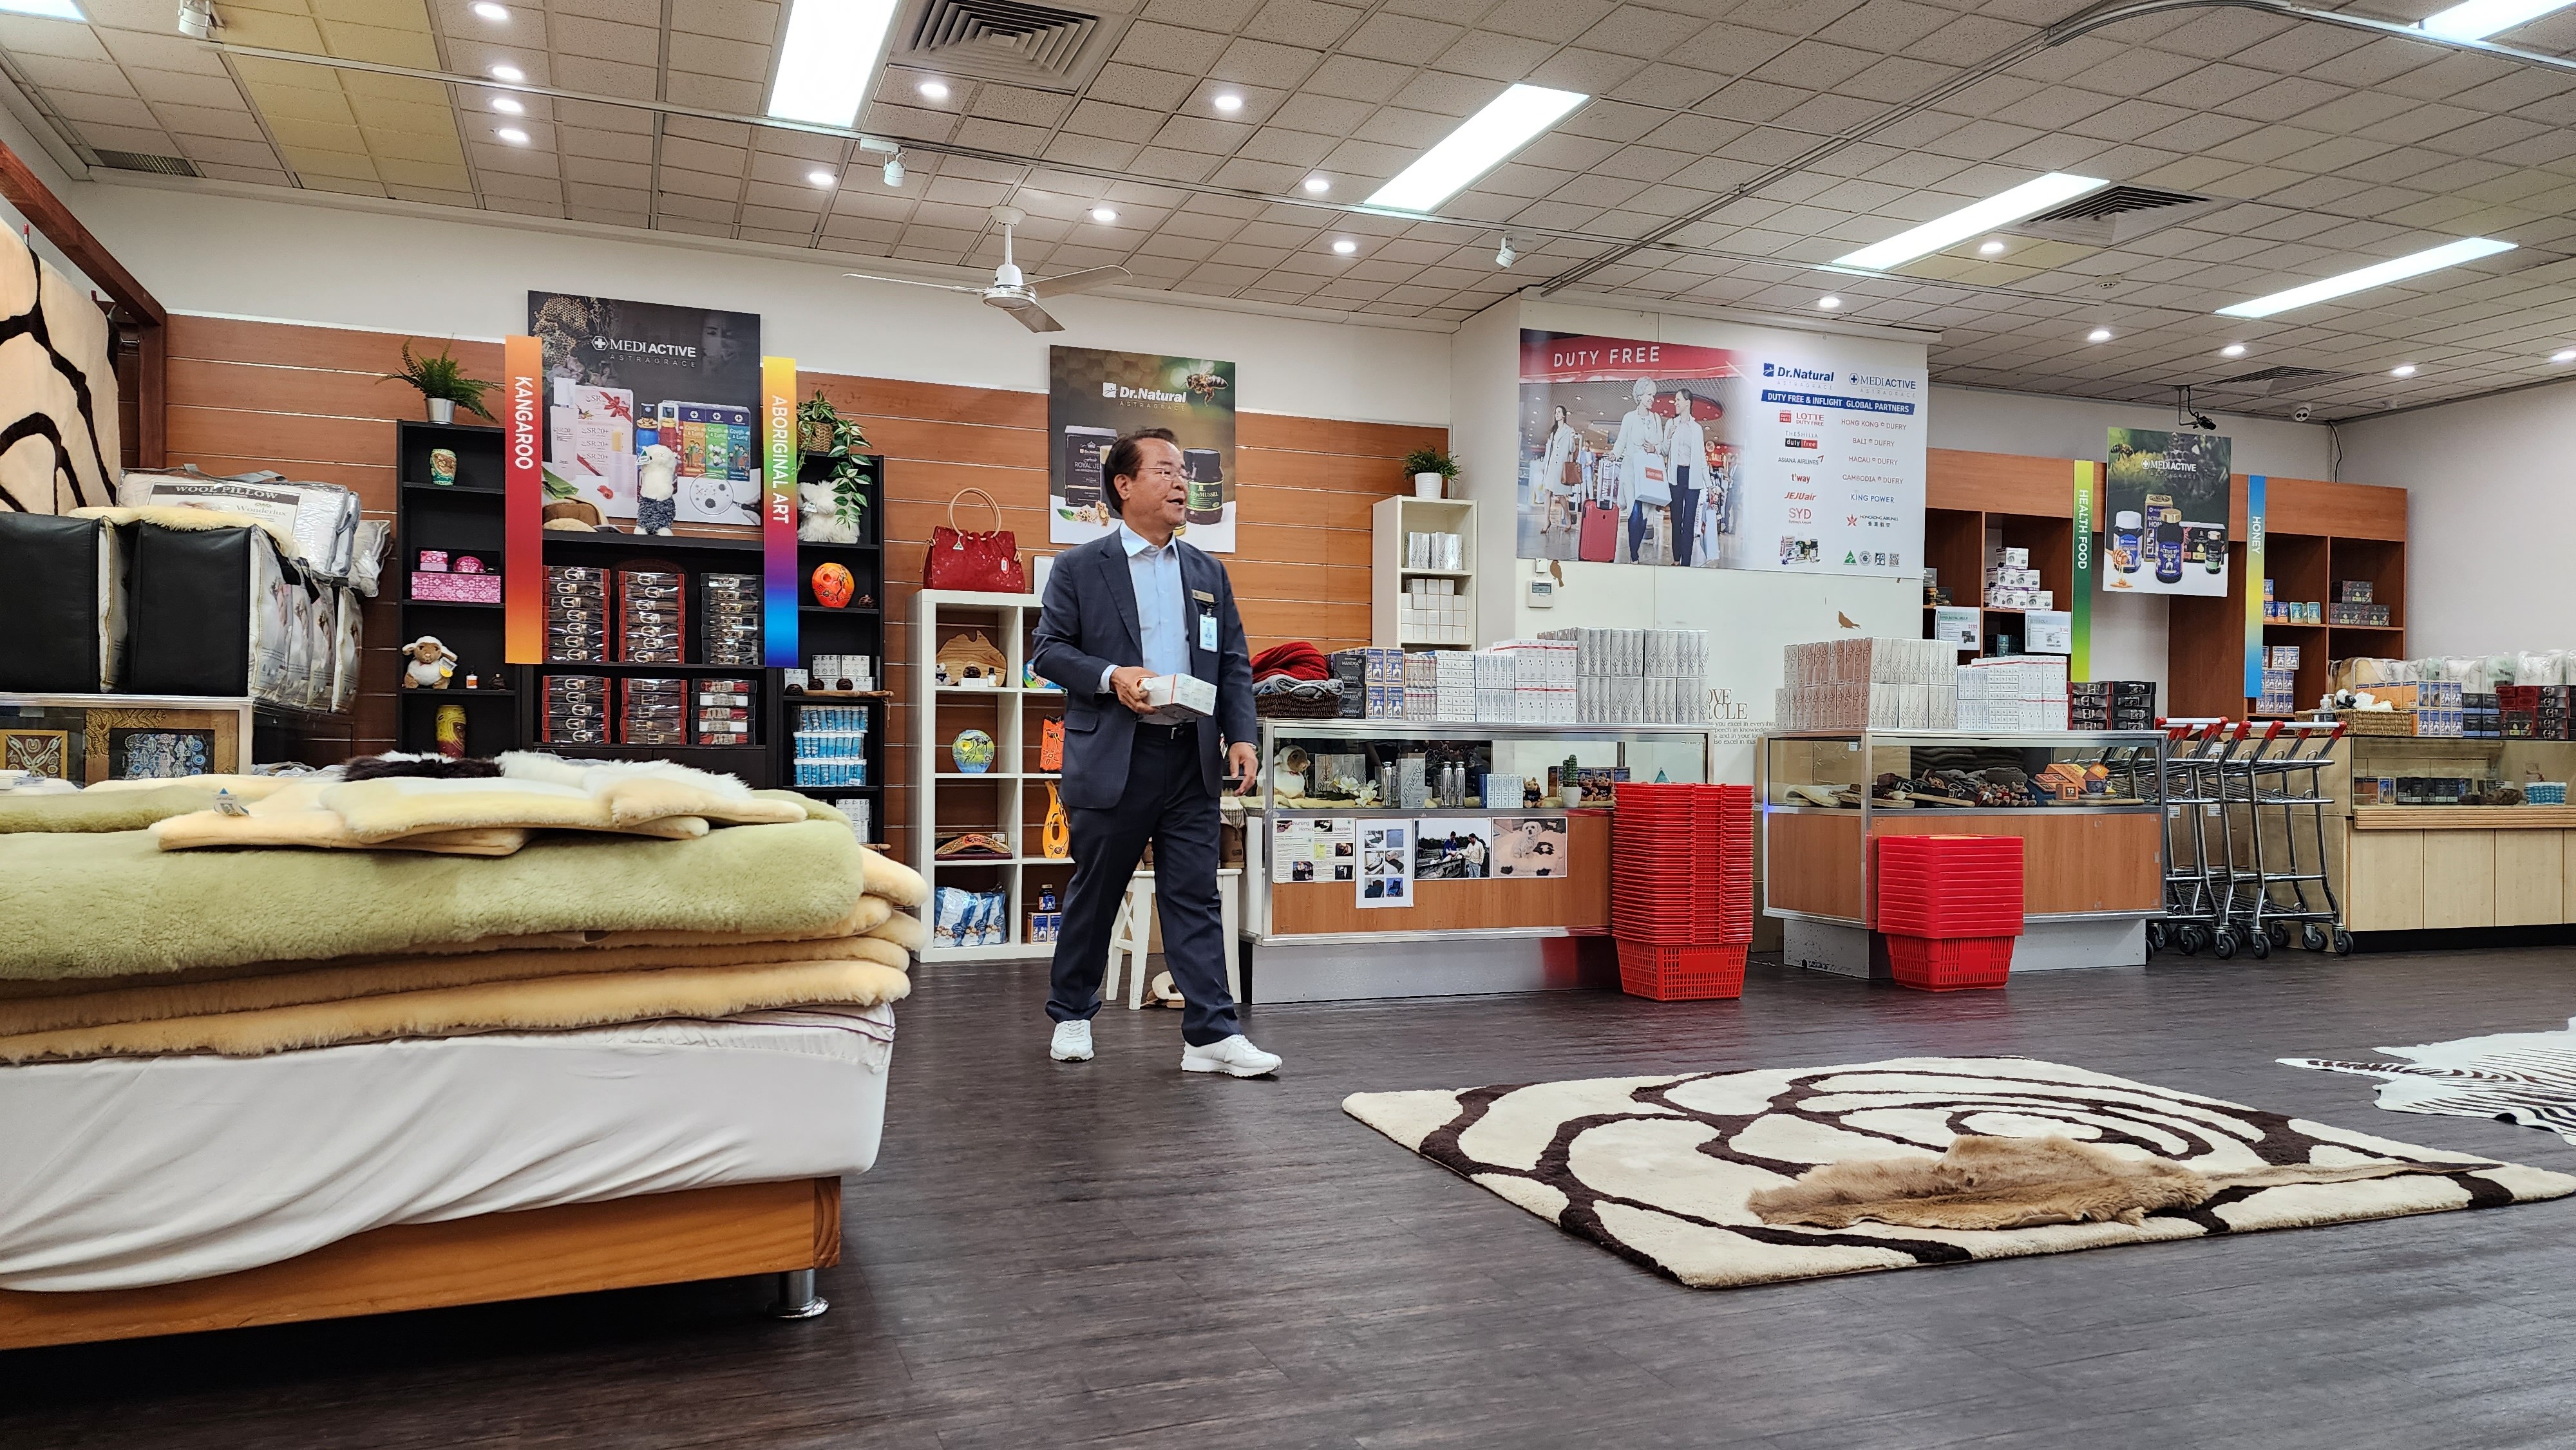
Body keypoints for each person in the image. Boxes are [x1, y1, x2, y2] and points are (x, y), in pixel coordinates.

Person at [1029, 427, 1282, 1078]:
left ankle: (1211, 1035)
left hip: (1190, 756)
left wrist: (1243, 734)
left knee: (1194, 895)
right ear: (1124, 484)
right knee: (1097, 892)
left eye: (1183, 473)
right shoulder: (1080, 567)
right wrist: (1112, 675)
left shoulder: (1206, 571)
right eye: (1165, 471)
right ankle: (1072, 1014)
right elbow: (1048, 651)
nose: (1181, 483)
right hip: (1115, 755)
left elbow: (1232, 662)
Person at [1610, 377, 1666, 563]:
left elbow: (1661, 444)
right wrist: (1614, 454)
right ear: (1640, 395)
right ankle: (1634, 556)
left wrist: (1654, 448)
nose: (1652, 399)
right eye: (1649, 394)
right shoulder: (1629, 418)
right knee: (1634, 512)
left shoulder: (1656, 419)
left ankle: (1635, 550)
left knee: (1643, 517)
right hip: (1631, 472)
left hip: (1648, 474)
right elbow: (1621, 441)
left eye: (1653, 395)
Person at [1665, 387, 1707, 569]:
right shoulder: (1671, 424)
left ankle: (1686, 564)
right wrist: (1669, 436)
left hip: (1693, 478)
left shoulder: (1697, 429)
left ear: (1688, 403)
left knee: (1689, 522)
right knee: (1676, 520)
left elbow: (1702, 458)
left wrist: (1710, 485)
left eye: (1678, 400)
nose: (1675, 403)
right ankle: (1677, 558)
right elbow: (1664, 450)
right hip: (1676, 477)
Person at [1538, 404, 1582, 536]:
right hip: (1551, 465)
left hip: (1561, 467)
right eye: (1555, 412)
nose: (1556, 414)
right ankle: (1547, 521)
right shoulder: (1553, 432)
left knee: (1560, 495)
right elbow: (1548, 451)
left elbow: (1572, 450)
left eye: (1559, 412)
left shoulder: (1568, 430)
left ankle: (1567, 516)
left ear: (1564, 415)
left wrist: (1572, 438)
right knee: (1547, 492)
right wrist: (1544, 465)